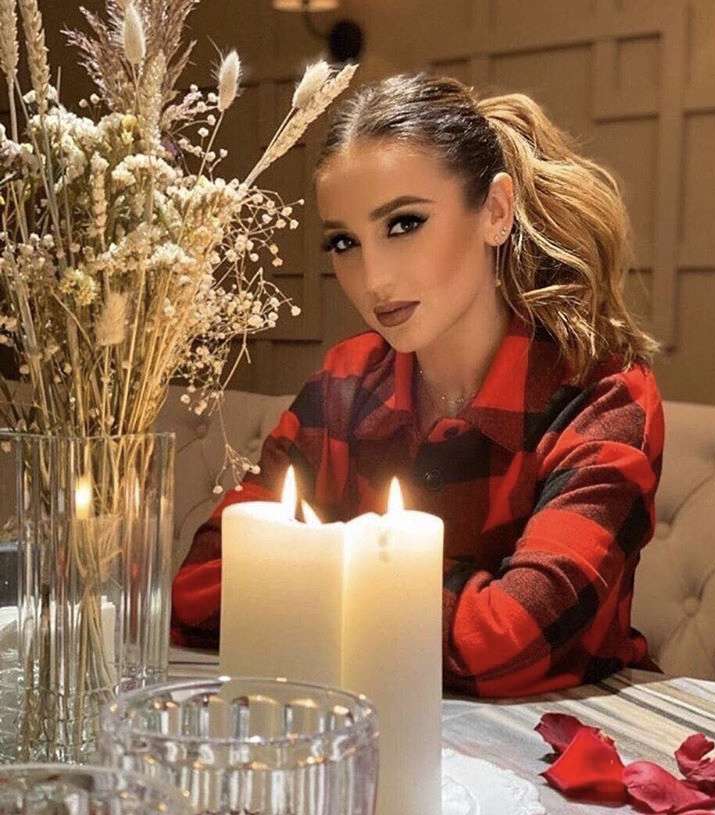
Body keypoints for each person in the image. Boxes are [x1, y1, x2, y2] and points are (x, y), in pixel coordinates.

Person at [171, 72, 665, 698]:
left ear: (496, 212)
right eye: (345, 242)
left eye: (404, 224)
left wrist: (302, 571)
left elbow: (508, 640)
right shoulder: (347, 380)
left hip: (557, 738)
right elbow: (200, 588)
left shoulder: (603, 396)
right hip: (364, 729)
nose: (373, 278)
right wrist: (392, 584)